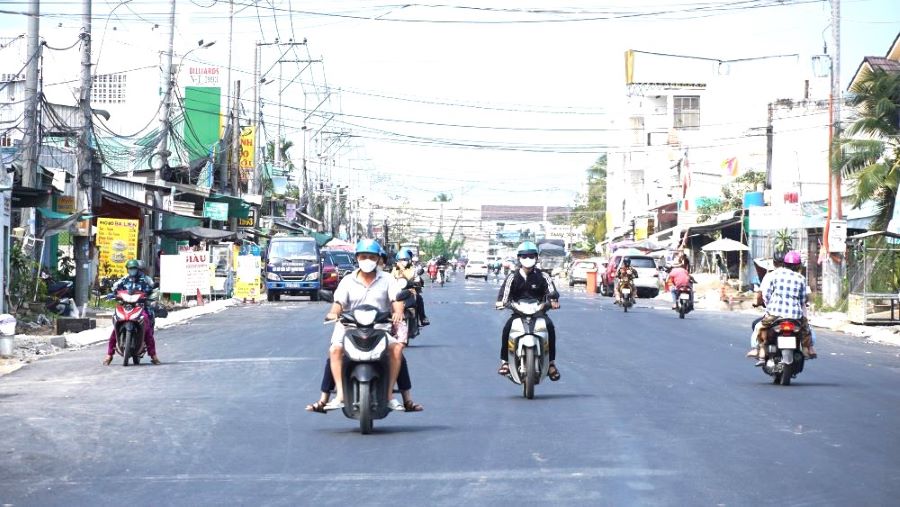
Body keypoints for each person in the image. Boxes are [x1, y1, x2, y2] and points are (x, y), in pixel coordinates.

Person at [305, 239, 421, 413]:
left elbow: (396, 299)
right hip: (349, 327)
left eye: (372, 257)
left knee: (397, 350)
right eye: (364, 256)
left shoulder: (387, 279)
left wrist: (397, 312)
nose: (368, 260)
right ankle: (333, 397)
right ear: (357, 258)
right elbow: (338, 303)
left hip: (379, 328)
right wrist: (333, 313)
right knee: (335, 351)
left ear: (378, 259)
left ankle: (398, 398)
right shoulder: (347, 280)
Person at [495, 241, 561, 380]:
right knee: (507, 328)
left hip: (539, 312)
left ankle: (551, 364)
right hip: (518, 313)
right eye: (524, 256)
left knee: (549, 327)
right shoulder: (512, 277)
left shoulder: (544, 276)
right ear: (519, 258)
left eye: (531, 256)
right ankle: (505, 362)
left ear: (536, 258)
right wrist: (501, 302)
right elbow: (504, 295)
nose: (528, 259)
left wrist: (553, 301)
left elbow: (552, 291)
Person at [751, 249, 817, 365]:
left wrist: (769, 304)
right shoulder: (801, 278)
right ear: (799, 266)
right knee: (806, 329)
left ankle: (760, 351)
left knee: (759, 327)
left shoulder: (774, 275)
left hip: (775, 314)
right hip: (795, 316)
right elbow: (802, 299)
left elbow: (766, 294)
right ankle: (807, 349)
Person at [103, 259, 160, 365]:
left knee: (147, 329)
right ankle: (109, 355)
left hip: (141, 307)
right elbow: (114, 289)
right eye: (130, 268)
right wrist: (111, 294)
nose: (132, 270)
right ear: (127, 269)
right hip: (125, 307)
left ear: (137, 269)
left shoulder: (145, 279)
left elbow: (153, 290)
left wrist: (150, 297)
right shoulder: (123, 280)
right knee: (115, 329)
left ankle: (153, 355)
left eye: (134, 268)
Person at [391, 249, 429, 326]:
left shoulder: (412, 269)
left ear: (408, 260)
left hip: (411, 290)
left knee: (419, 299)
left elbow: (417, 278)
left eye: (405, 260)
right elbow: (391, 279)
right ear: (397, 261)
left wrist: (416, 282)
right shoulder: (395, 269)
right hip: (398, 291)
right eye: (401, 260)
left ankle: (423, 317)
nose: (403, 262)